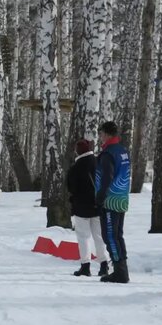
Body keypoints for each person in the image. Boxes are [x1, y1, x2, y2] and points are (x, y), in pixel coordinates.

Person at [66, 139, 109, 277]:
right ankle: (104, 265)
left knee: (83, 237)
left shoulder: (75, 168)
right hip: (98, 206)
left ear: (78, 151)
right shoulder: (100, 162)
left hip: (81, 208)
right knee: (99, 236)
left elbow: (71, 188)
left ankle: (85, 266)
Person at [95, 120, 132, 284]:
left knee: (109, 235)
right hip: (121, 198)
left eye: (101, 133)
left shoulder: (108, 153)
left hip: (110, 200)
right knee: (117, 235)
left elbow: (106, 177)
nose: (100, 137)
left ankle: (119, 271)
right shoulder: (122, 151)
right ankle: (122, 269)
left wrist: (100, 197)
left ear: (107, 134)